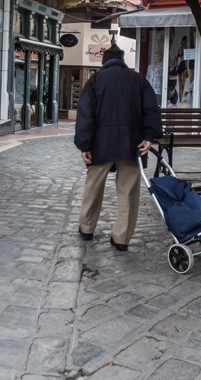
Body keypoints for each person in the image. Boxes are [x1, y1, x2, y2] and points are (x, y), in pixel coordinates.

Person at [74, 42, 163, 251]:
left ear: (104, 62)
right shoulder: (138, 80)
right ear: (123, 61)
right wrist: (149, 137)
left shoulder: (95, 81)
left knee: (93, 188)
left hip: (100, 146)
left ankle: (87, 229)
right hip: (132, 145)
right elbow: (152, 109)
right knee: (129, 193)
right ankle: (121, 238)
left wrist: (84, 145)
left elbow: (85, 115)